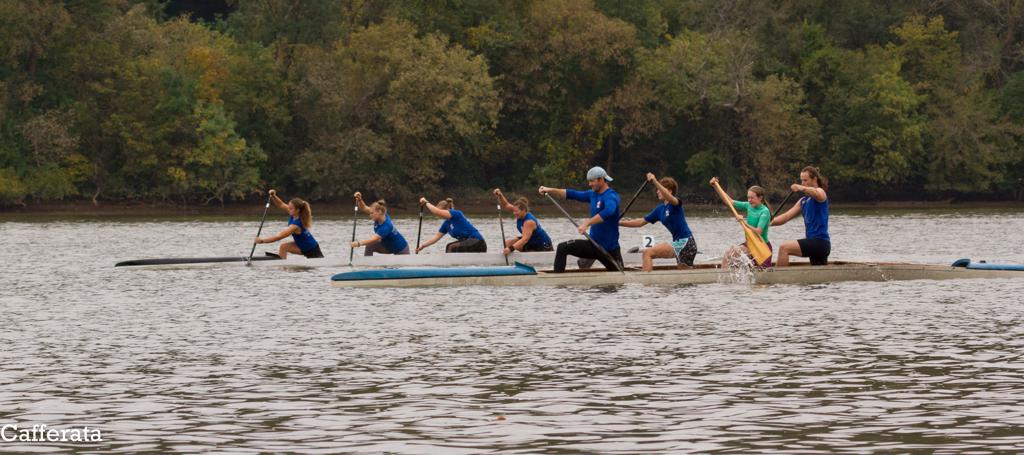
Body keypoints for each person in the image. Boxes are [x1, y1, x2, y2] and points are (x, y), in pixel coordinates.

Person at [539, 166, 622, 273]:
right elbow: (571, 194)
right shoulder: (592, 194)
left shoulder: (611, 196)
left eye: (592, 181)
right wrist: (549, 190)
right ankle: (558, 279)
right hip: (593, 245)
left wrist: (587, 223)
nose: (590, 184)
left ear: (601, 179)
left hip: (609, 249)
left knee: (618, 277)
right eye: (589, 181)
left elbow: (609, 211)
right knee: (562, 247)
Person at [620, 172, 697, 272]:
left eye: (660, 189)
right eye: (657, 190)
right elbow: (641, 222)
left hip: (686, 242)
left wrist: (654, 181)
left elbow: (670, 198)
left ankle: (646, 280)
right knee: (684, 275)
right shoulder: (660, 209)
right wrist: (619, 223)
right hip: (679, 243)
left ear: (670, 191)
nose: (657, 192)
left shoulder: (675, 204)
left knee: (648, 253)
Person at [770, 166, 830, 266]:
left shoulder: (820, 193)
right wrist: (768, 223)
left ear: (814, 179)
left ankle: (778, 275)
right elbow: (786, 216)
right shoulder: (803, 201)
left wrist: (801, 188)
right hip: (813, 243)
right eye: (801, 180)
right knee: (817, 273)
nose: (802, 183)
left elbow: (815, 192)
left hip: (820, 242)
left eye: (805, 180)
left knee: (784, 248)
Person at [709, 177, 771, 268]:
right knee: (729, 254)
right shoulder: (748, 205)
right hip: (749, 244)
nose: (749, 200)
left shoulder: (764, 211)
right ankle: (724, 275)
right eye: (748, 198)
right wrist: (716, 186)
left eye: (752, 198)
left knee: (761, 273)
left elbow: (758, 231)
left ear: (760, 198)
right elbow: (729, 202)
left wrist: (743, 222)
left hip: (762, 247)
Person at [254, 189, 323, 259]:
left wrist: (262, 241)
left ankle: (282, 263)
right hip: (303, 245)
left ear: (297, 210)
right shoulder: (294, 214)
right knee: (284, 247)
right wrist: (274, 196)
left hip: (312, 250)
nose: (288, 209)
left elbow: (279, 236)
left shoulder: (295, 226)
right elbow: (281, 204)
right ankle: (282, 263)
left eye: (290, 208)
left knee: (284, 247)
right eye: (289, 207)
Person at [493, 189, 554, 255]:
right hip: (531, 241)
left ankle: (528, 255)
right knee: (507, 243)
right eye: (513, 211)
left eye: (516, 211)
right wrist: (500, 195)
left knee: (511, 247)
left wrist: (510, 249)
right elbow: (506, 205)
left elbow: (525, 239)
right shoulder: (518, 212)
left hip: (543, 245)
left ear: (524, 210)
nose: (514, 213)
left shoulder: (529, 222)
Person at [416, 197, 487, 253]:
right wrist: (422, 246)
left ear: (447, 209)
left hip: (478, 242)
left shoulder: (456, 214)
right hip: (468, 244)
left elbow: (436, 211)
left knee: (451, 247)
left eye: (441, 211)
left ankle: (449, 266)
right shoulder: (446, 224)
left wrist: (426, 202)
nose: (439, 215)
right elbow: (435, 238)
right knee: (449, 246)